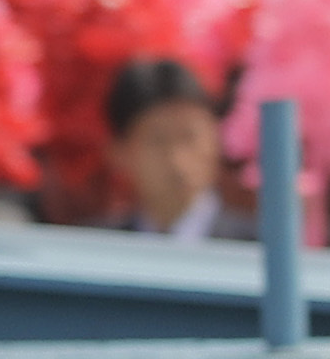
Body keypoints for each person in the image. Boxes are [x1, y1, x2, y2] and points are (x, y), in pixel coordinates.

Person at [101, 57, 245, 238]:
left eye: (190, 136)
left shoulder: (257, 250)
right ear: (118, 152)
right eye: (158, 140)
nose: (177, 159)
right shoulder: (92, 250)